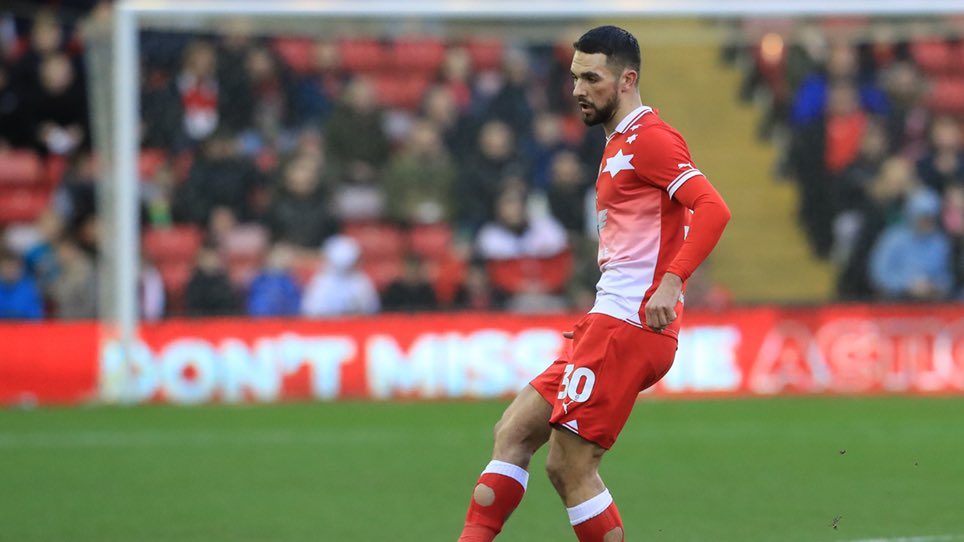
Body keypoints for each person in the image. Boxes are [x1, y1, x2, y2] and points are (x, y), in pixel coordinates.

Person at [457, 26, 730, 542]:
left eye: (591, 78)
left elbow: (713, 207)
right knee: (513, 433)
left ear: (627, 80)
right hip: (604, 322)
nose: (578, 89)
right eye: (574, 76)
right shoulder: (617, 142)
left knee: (570, 467)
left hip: (628, 325)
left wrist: (671, 283)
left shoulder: (650, 139)